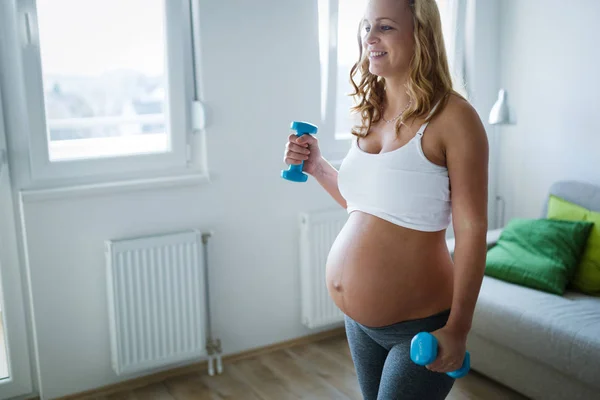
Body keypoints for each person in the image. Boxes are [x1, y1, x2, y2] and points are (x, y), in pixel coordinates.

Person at [283, 0, 489, 398]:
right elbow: (368, 206)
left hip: (420, 328)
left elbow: (472, 232)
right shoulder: (371, 110)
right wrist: (318, 166)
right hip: (358, 323)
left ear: (421, 34)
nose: (370, 38)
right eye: (365, 27)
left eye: (385, 27)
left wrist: (459, 329)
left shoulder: (454, 118)